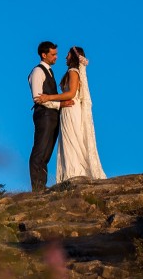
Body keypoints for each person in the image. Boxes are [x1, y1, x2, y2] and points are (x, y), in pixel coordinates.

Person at [34, 46, 106, 182]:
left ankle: (75, 172)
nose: (65, 57)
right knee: (70, 139)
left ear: (73, 57)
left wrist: (49, 97)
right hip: (67, 110)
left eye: (67, 55)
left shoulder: (73, 71)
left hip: (71, 109)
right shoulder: (71, 72)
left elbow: (71, 94)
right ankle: (72, 172)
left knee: (72, 139)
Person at [28, 41, 72, 191]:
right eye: (53, 54)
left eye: (56, 54)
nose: (56, 57)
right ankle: (37, 187)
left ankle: (42, 185)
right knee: (40, 150)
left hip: (53, 115)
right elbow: (37, 98)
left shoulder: (50, 72)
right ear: (43, 55)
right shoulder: (38, 71)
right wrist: (59, 104)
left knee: (47, 152)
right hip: (44, 115)